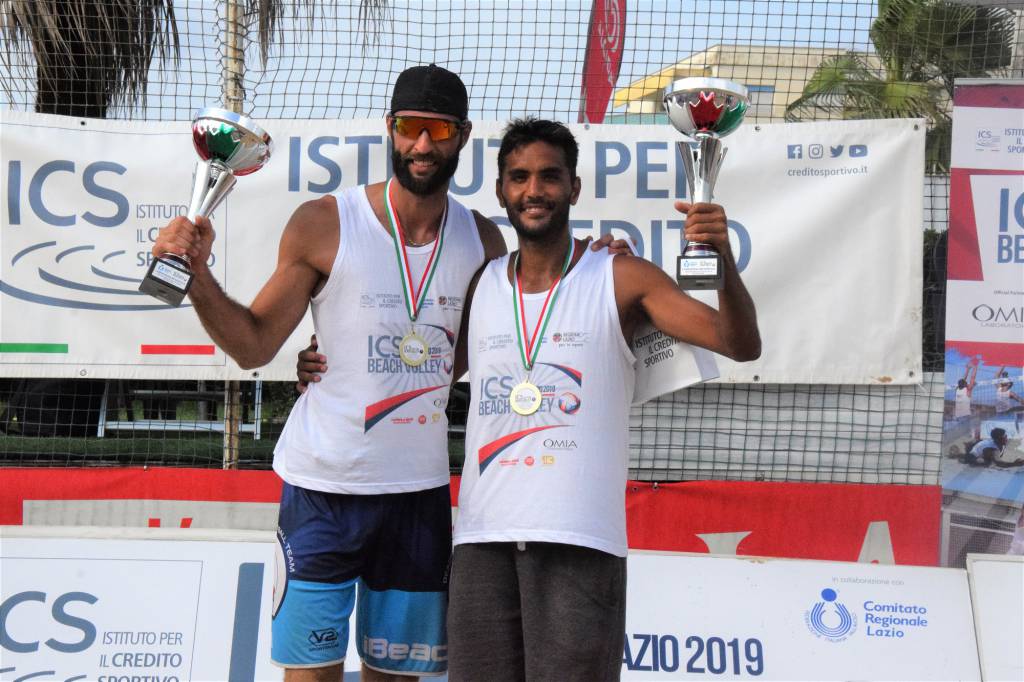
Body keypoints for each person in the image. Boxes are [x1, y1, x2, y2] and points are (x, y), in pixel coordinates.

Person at [301, 118, 761, 680]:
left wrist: (722, 262)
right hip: (481, 540)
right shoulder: (483, 281)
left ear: (574, 189)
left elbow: (739, 343)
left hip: (578, 540)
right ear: (501, 191)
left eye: (549, 176)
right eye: (519, 177)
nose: (533, 190)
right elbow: (420, 362)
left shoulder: (620, 277)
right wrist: (322, 364)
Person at [153, 64, 510, 682]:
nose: (422, 145)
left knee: (393, 676)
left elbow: (468, 355)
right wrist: (198, 273)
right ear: (390, 130)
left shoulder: (483, 241)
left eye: (439, 129)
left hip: (417, 495)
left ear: (463, 135)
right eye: (410, 127)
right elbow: (254, 344)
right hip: (323, 489)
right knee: (311, 674)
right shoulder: (324, 222)